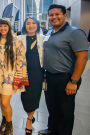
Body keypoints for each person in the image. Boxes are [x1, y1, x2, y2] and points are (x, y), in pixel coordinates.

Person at [38, 4, 89, 135]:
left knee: (65, 111)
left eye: (57, 14)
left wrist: (74, 81)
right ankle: (52, 130)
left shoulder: (74, 32)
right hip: (49, 76)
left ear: (64, 15)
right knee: (52, 107)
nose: (54, 17)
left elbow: (82, 57)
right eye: (51, 15)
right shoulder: (50, 31)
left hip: (65, 78)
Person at [0, 18, 29, 135]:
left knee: (6, 102)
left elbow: (22, 61)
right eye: (0, 26)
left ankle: (10, 124)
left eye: (5, 26)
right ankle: (4, 120)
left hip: (10, 77)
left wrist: (18, 78)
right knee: (2, 101)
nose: (3, 28)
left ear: (9, 26)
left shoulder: (16, 40)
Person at [18, 16, 45, 135]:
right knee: (24, 97)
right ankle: (30, 113)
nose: (31, 25)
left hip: (37, 73)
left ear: (37, 25)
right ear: (24, 26)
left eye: (33, 23)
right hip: (23, 72)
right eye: (28, 23)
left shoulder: (43, 39)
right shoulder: (19, 39)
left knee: (34, 96)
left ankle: (29, 120)